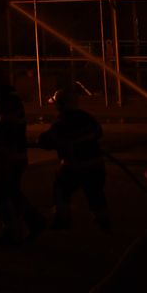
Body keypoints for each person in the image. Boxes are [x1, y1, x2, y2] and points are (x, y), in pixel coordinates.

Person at [0, 68, 47, 245]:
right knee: (11, 193)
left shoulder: (7, 101)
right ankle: (32, 221)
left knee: (2, 194)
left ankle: (14, 229)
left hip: (10, 155)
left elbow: (6, 129)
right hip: (7, 154)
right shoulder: (0, 100)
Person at [36, 88, 110, 231]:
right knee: (96, 194)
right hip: (96, 165)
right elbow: (98, 133)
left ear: (61, 105)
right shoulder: (87, 118)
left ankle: (62, 221)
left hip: (74, 167)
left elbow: (46, 141)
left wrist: (41, 140)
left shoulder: (61, 123)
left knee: (60, 189)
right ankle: (104, 222)